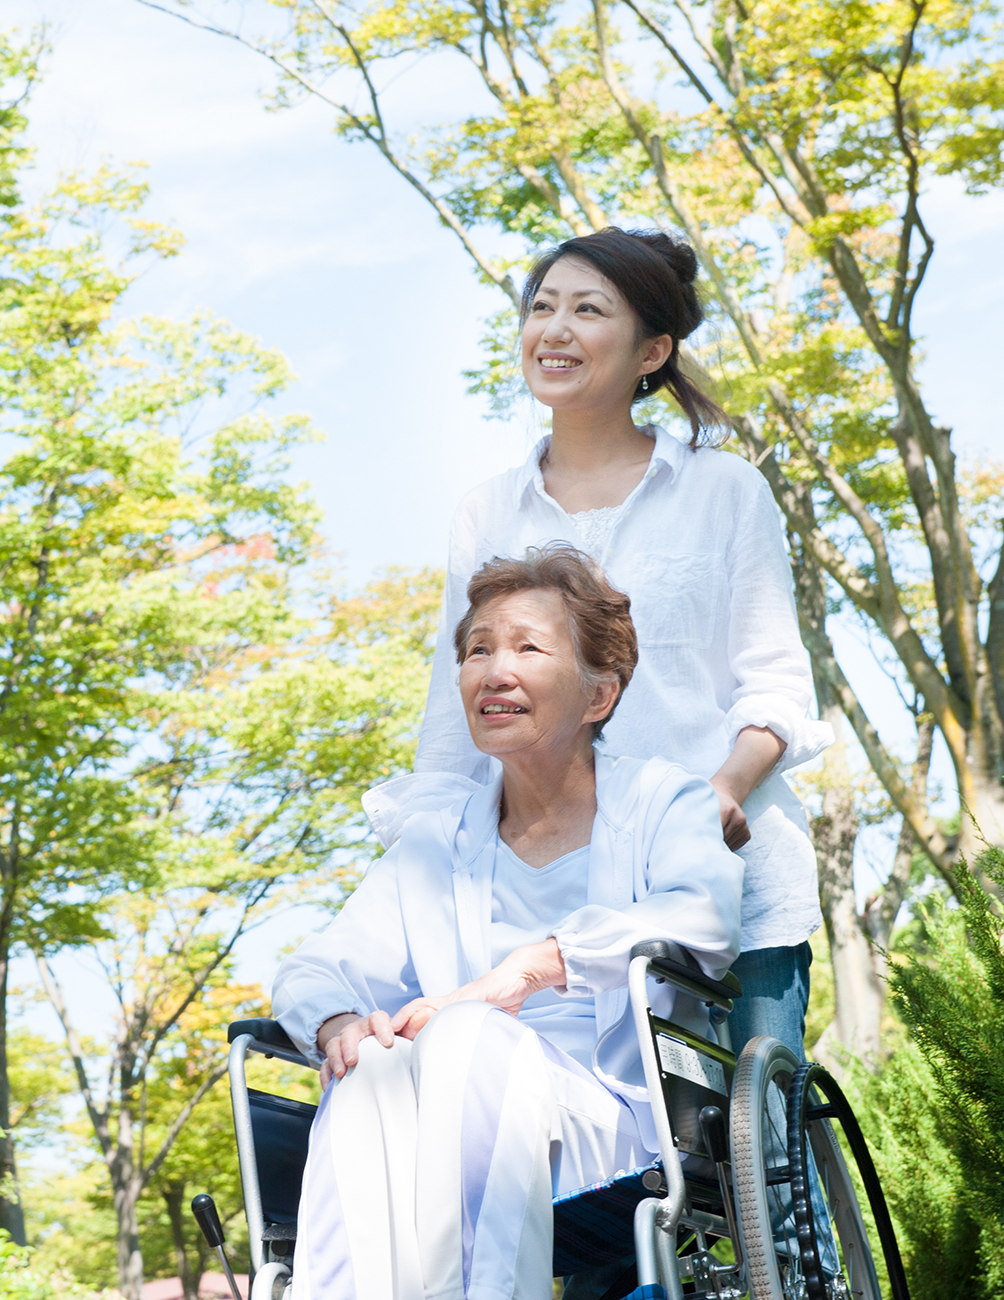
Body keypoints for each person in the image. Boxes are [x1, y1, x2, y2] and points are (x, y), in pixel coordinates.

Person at [364, 227, 830, 1061]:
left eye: (588, 309)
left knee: (764, 1157)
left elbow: (775, 687)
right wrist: (420, 882)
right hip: (558, 906)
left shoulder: (724, 490)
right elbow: (455, 720)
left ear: (652, 348)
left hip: (732, 881)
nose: (555, 329)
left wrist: (719, 794)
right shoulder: (488, 512)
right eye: (541, 308)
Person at [274, 546, 742, 1300]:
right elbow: (313, 968)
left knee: (464, 1032)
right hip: (441, 1137)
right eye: (478, 650)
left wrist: (527, 969)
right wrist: (336, 1026)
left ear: (598, 695)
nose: (494, 671)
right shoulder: (437, 843)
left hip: (612, 1125)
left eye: (529, 647)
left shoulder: (664, 803)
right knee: (370, 1065)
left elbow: (706, 916)